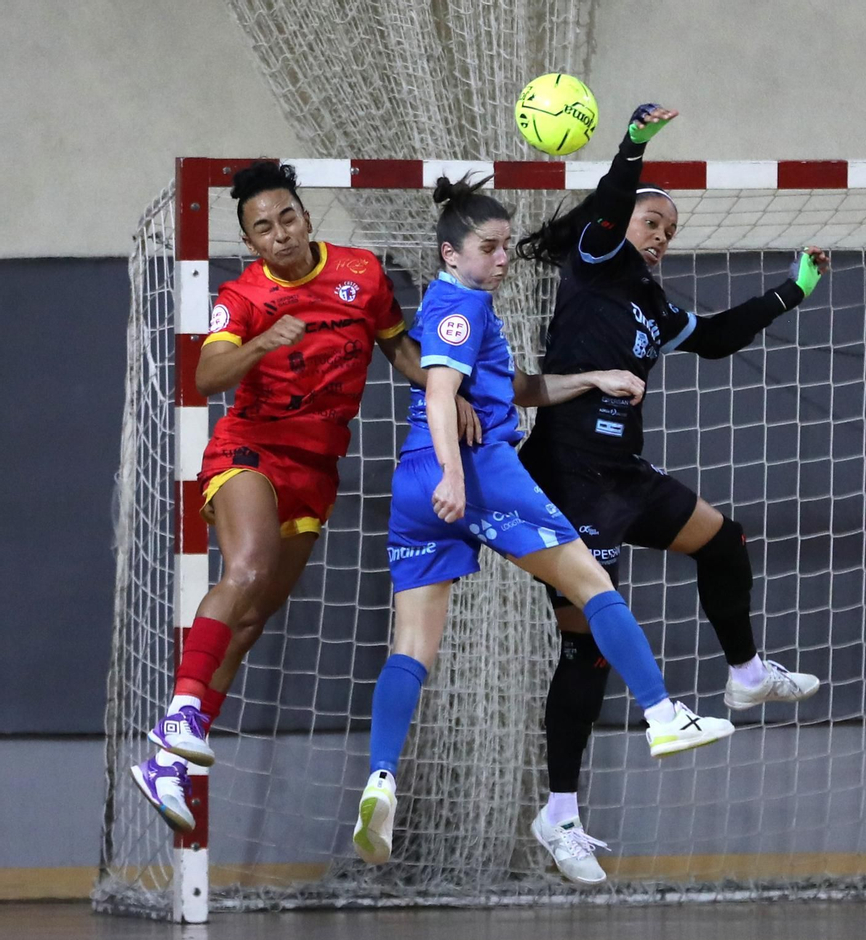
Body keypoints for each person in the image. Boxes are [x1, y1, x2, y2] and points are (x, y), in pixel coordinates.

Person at [353, 176, 734, 878]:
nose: (502, 260)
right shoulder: (459, 307)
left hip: (413, 485)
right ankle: (661, 715)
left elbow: (519, 389)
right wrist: (457, 475)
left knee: (412, 646)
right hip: (472, 474)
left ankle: (381, 779)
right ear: (450, 252)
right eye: (488, 248)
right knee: (593, 585)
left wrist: (594, 378)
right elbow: (440, 395)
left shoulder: (466, 304)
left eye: (505, 247)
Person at [514, 104, 829, 857]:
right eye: (653, 221)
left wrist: (792, 291)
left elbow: (716, 337)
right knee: (586, 648)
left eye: (670, 230)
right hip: (569, 477)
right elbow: (613, 204)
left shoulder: (653, 302)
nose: (660, 236)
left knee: (722, 540)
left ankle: (746, 673)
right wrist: (634, 145)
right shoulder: (592, 260)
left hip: (624, 473)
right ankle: (560, 811)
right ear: (619, 222)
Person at [130, 160, 449, 833]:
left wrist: (453, 393)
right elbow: (208, 372)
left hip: (316, 468)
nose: (279, 234)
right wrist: (262, 343)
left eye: (287, 218)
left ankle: (167, 765)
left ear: (306, 216)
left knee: (251, 617)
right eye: (263, 229)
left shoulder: (361, 275)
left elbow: (401, 352)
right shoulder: (244, 298)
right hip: (250, 449)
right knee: (243, 571)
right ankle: (179, 717)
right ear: (250, 243)